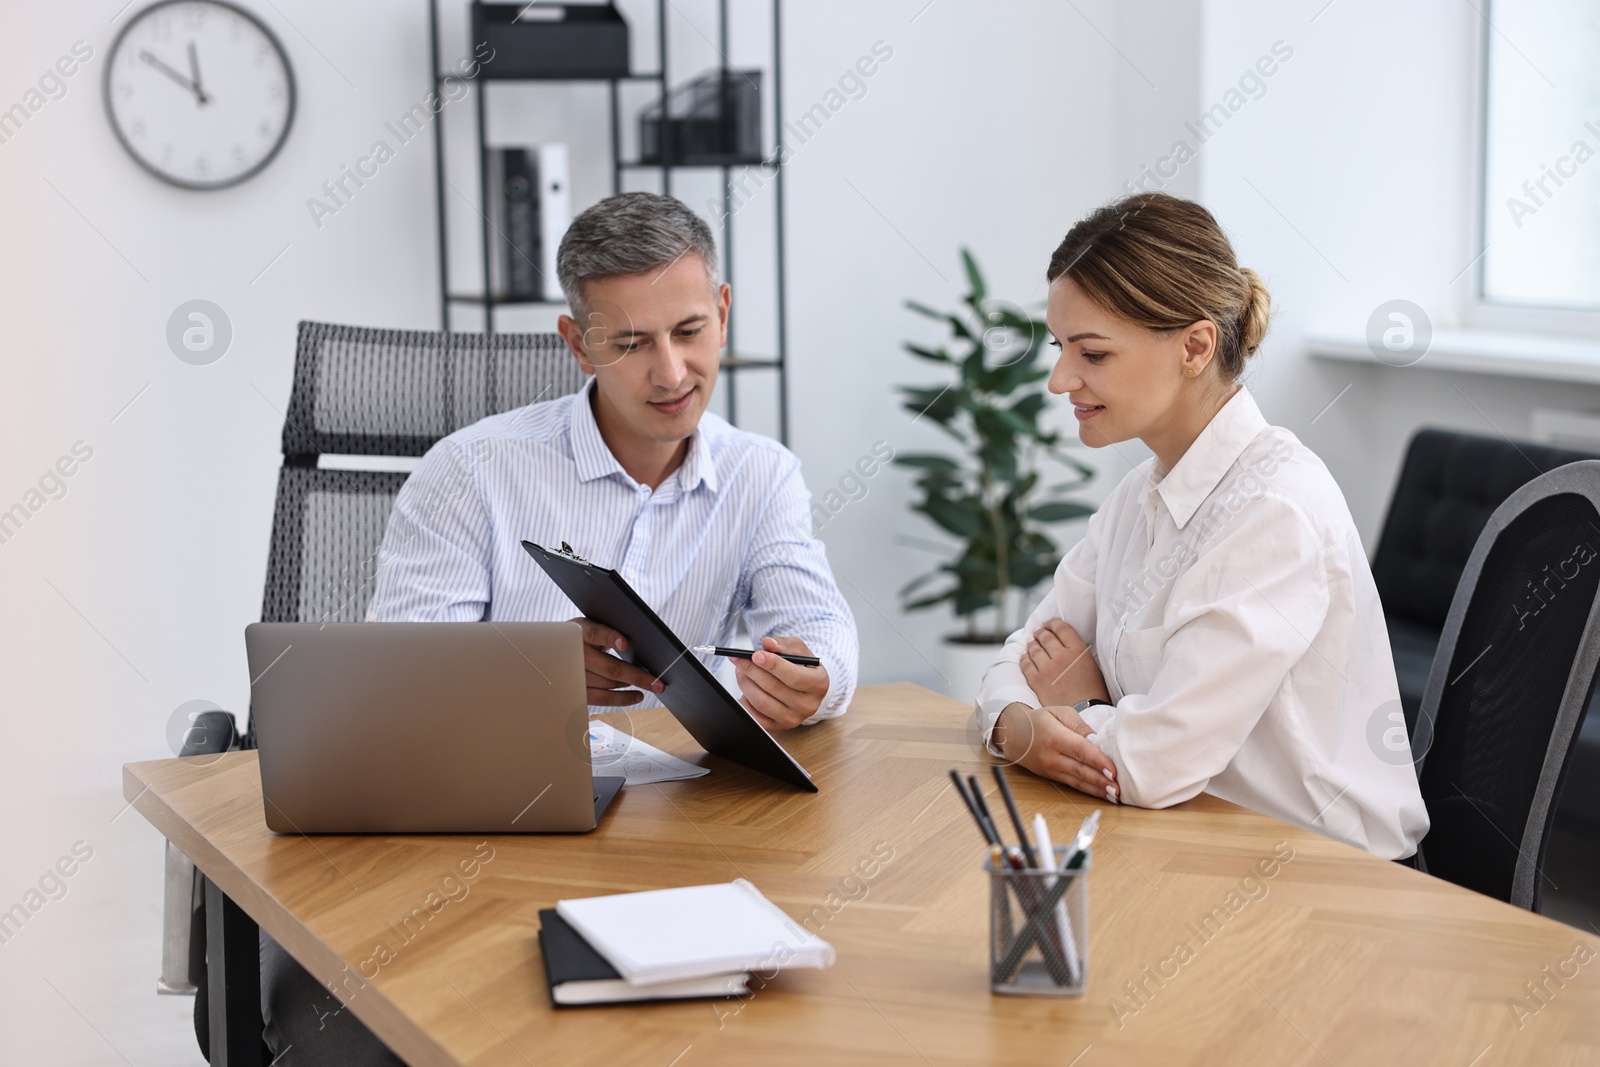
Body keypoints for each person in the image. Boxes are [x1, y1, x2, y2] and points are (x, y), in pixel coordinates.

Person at [260, 192, 859, 1065]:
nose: (671, 372)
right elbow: (395, 688)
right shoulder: (472, 473)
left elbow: (820, 629)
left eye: (689, 330)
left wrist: (815, 672)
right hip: (474, 846)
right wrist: (531, 673)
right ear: (576, 343)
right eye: (629, 343)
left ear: (723, 312)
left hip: (672, 850)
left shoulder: (761, 477)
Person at [977, 191, 1427, 861]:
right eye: (1059, 347)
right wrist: (1022, 724)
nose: (1059, 379)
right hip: (1190, 837)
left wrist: (1083, 702)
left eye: (1092, 354)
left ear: (1194, 346)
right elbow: (1013, 664)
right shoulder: (1137, 498)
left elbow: (1150, 765)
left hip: (1320, 872)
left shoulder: (1275, 509)